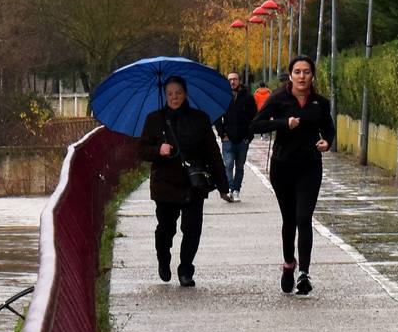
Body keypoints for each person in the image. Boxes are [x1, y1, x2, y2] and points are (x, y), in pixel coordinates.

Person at [251, 56, 335, 296]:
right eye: (297, 72)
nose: (302, 76)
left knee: (303, 218)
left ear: (312, 76)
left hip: (309, 167)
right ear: (290, 75)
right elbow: (255, 126)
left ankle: (304, 273)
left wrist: (327, 142)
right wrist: (283, 123)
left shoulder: (320, 103)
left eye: (306, 72)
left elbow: (328, 128)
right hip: (283, 167)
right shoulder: (278, 99)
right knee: (289, 220)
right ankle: (289, 264)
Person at [139, 76, 232, 288]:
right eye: (170, 93)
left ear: (186, 94)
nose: (174, 97)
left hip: (194, 183)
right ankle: (163, 258)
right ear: (165, 95)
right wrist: (157, 150)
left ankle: (186, 269)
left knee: (192, 228)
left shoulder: (200, 119)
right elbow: (141, 150)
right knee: (165, 229)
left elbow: (213, 153)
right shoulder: (155, 119)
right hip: (165, 185)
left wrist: (223, 185)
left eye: (178, 93)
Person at [218, 71, 258, 199]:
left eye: (235, 79)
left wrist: (249, 136)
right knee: (228, 165)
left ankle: (236, 190)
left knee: (239, 167)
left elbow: (254, 118)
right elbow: (218, 118)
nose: (232, 82)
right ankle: (230, 188)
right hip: (228, 139)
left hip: (243, 139)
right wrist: (222, 134)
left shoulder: (248, 98)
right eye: (230, 79)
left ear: (239, 81)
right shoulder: (223, 97)